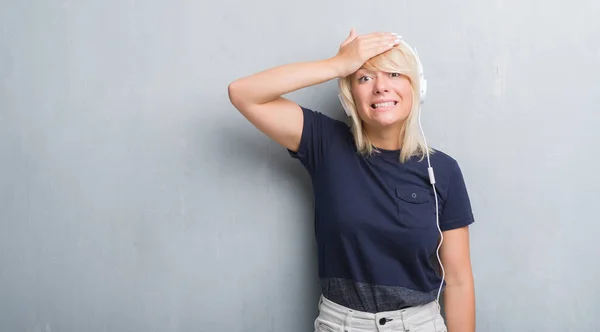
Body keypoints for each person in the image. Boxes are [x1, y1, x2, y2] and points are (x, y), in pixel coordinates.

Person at [227, 29, 476, 332]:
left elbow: (460, 281)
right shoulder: (324, 143)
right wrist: (338, 64)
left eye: (394, 74)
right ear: (349, 96)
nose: (381, 87)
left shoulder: (443, 170)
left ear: (417, 88)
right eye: (365, 78)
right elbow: (243, 93)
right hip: (341, 325)